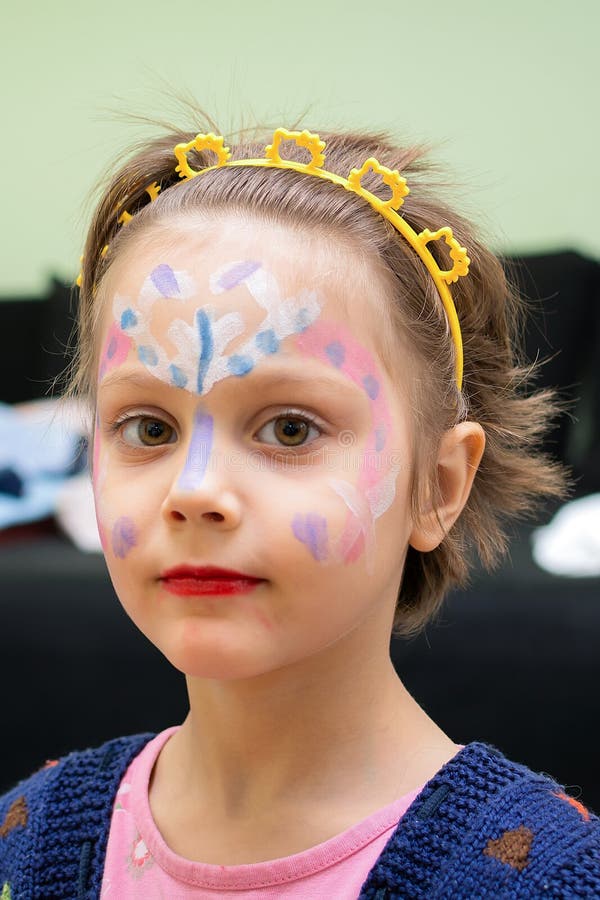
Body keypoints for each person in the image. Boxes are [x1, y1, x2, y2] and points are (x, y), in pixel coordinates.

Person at [1, 118, 598, 899]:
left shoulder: (547, 878)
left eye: (290, 428)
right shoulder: (30, 839)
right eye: (149, 428)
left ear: (439, 486)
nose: (195, 491)